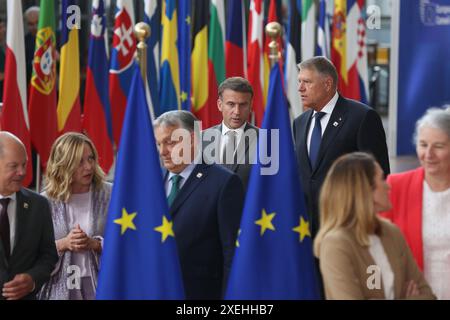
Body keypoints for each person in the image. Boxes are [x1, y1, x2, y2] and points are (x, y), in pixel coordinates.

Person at [314, 152, 435, 300]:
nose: (388, 186)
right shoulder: (336, 244)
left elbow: (427, 295)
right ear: (364, 191)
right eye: (382, 180)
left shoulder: (391, 232)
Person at [293, 56, 390, 237]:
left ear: (328, 84)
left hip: (346, 227)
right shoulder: (299, 123)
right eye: (299, 81)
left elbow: (379, 174)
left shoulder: (362, 117)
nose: (300, 88)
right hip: (304, 229)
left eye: (306, 82)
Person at [154, 110, 245, 299]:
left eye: (170, 142)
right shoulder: (151, 181)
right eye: (159, 143)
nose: (163, 151)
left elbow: (232, 254)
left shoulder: (224, 183)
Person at [379, 107, 450, 299]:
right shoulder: (395, 186)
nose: (428, 154)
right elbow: (375, 248)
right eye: (423, 144)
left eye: (439, 146)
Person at [38, 132, 112, 300]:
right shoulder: (44, 201)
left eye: (91, 158)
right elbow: (32, 250)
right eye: (79, 162)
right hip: (57, 288)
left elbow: (128, 240)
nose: (88, 167)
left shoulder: (111, 194)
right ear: (64, 164)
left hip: (103, 286)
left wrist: (96, 244)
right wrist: (64, 243)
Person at [0, 132, 57, 300]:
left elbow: (48, 255)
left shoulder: (38, 205)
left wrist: (32, 279)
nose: (22, 172)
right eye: (14, 166)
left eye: (24, 164)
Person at [202, 77, 259, 191]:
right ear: (220, 105)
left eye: (243, 105)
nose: (237, 112)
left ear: (251, 105)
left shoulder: (267, 141)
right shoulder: (200, 140)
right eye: (231, 104)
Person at [24, 6, 39, 84]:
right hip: (30, 86)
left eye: (37, 22)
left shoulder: (56, 37)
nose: (35, 27)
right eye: (31, 24)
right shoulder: (23, 42)